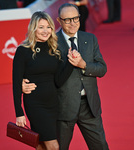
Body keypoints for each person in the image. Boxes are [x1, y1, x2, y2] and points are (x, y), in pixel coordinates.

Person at [22, 3, 109, 150]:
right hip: (62, 108)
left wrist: (83, 65)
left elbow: (102, 69)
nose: (73, 23)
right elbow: (36, 66)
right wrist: (22, 82)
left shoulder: (90, 39)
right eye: (67, 20)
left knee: (101, 147)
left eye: (75, 18)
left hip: (89, 107)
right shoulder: (51, 42)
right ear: (59, 20)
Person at [12, 11, 75, 150]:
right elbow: (16, 83)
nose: (45, 31)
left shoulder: (54, 49)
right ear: (33, 28)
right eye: (41, 27)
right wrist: (19, 112)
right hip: (35, 105)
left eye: (48, 27)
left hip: (53, 104)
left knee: (40, 144)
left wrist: (71, 63)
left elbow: (58, 81)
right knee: (53, 146)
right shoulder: (23, 51)